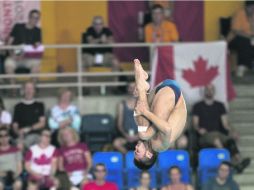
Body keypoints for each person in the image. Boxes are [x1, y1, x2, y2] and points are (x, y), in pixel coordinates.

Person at [133, 59, 187, 170]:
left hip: (158, 92)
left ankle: (143, 88)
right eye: (137, 152)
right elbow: (167, 129)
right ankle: (142, 87)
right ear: (148, 154)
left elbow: (140, 111)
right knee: (144, 133)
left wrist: (139, 101)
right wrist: (145, 112)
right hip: (172, 93)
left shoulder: (148, 139)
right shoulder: (160, 146)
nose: (135, 148)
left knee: (141, 126)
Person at [192, 84, 250, 173]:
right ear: (204, 91)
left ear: (214, 91)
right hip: (205, 135)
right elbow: (195, 124)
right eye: (207, 89)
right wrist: (199, 129)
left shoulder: (220, 105)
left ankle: (239, 162)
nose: (209, 91)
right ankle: (230, 164)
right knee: (216, 140)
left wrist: (233, 131)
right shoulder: (197, 106)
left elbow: (225, 124)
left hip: (219, 133)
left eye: (211, 89)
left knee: (230, 141)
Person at [4, 9, 42, 84]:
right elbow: (9, 44)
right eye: (34, 17)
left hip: (28, 58)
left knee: (37, 65)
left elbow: (37, 49)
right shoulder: (18, 27)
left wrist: (28, 52)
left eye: (37, 18)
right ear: (29, 17)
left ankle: (31, 88)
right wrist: (12, 55)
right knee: (8, 65)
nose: (35, 20)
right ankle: (13, 89)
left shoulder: (38, 31)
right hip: (14, 55)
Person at [12, 81, 46, 149]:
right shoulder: (18, 106)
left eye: (31, 88)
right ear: (23, 90)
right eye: (27, 88)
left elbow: (42, 123)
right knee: (19, 145)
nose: (29, 90)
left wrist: (28, 129)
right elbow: (15, 125)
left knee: (38, 141)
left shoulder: (40, 105)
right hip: (22, 135)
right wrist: (18, 132)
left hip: (36, 134)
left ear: (34, 91)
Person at [228, 1, 254, 77]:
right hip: (236, 38)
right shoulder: (240, 13)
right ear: (246, 7)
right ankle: (241, 67)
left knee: (249, 42)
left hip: (251, 38)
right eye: (251, 7)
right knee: (245, 42)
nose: (252, 9)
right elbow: (236, 31)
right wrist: (250, 37)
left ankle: (247, 65)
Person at [113, 82, 139, 154]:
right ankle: (129, 159)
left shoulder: (142, 104)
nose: (133, 89)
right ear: (128, 89)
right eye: (131, 87)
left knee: (151, 143)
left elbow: (145, 123)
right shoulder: (121, 104)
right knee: (116, 143)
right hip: (126, 136)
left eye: (135, 87)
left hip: (140, 136)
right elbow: (119, 125)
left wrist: (138, 136)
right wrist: (126, 135)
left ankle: (139, 160)